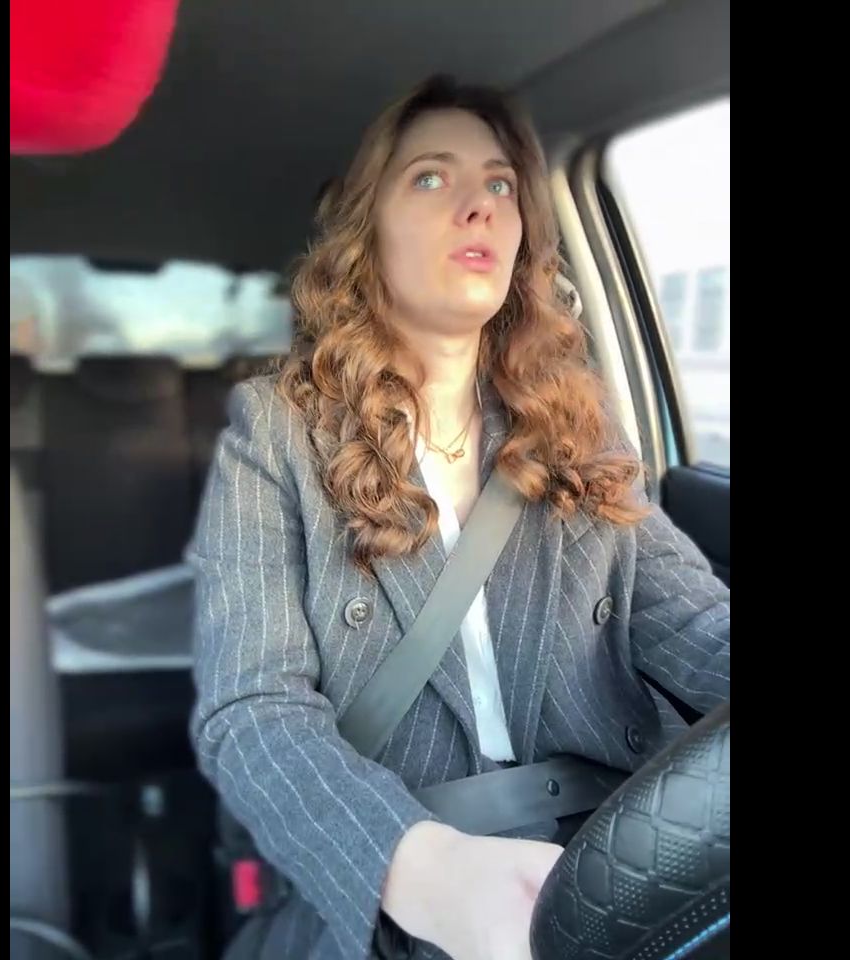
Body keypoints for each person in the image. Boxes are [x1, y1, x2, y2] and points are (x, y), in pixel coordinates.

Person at [187, 76, 730, 960]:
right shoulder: (277, 432)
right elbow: (252, 707)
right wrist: (419, 868)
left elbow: (699, 628)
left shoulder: (578, 425)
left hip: (610, 859)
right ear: (368, 228)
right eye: (431, 177)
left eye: (500, 183)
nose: (478, 204)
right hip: (390, 872)